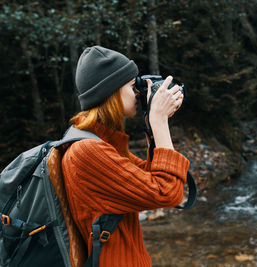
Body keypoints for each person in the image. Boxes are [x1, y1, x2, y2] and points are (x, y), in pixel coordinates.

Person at [62, 45, 189, 267]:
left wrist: (152, 125)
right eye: (132, 86)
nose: (139, 93)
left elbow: (150, 179)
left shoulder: (101, 144)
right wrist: (159, 122)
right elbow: (168, 192)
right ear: (111, 91)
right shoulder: (87, 152)